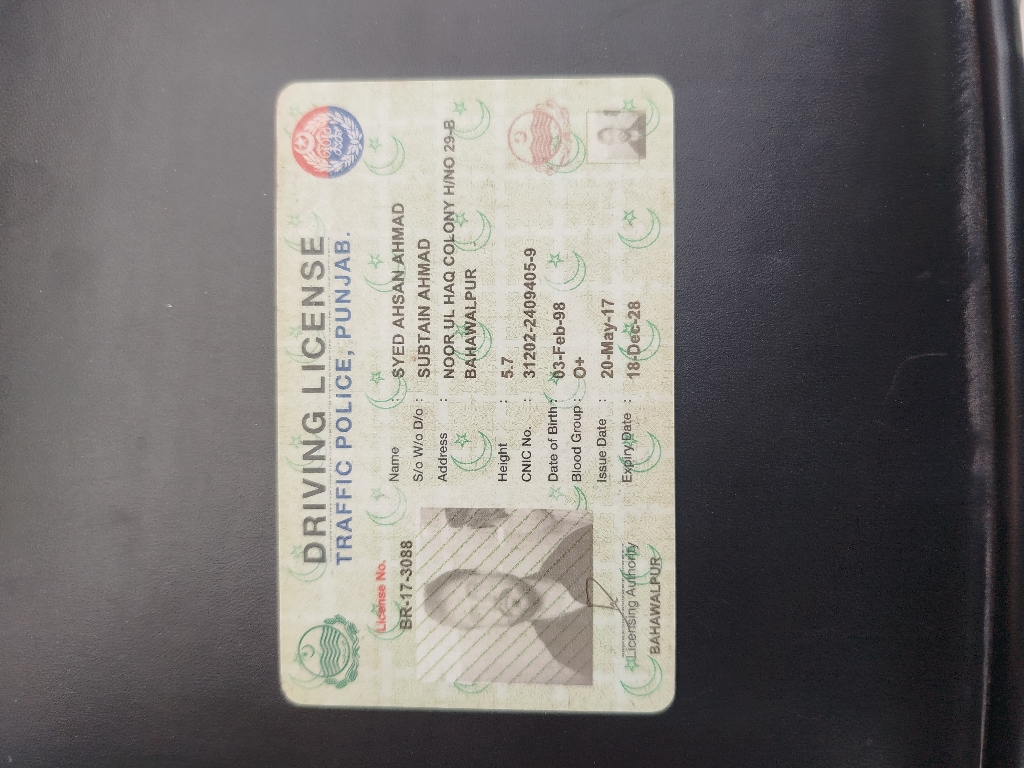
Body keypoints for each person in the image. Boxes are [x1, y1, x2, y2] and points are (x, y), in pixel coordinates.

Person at [422, 521, 592, 684]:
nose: (490, 603)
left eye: (475, 589)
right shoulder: (568, 652)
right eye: (477, 614)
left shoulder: (579, 546)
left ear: (485, 572)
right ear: (485, 628)